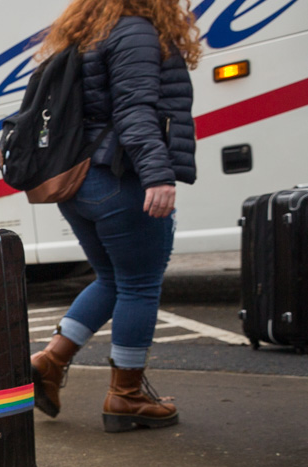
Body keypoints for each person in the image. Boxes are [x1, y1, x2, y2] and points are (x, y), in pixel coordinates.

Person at [29, 0, 198, 433]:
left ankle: (50, 361)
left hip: (79, 184)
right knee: (140, 284)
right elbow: (135, 111)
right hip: (119, 181)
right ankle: (127, 395)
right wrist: (158, 175)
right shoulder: (137, 33)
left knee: (111, 280)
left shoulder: (88, 35)